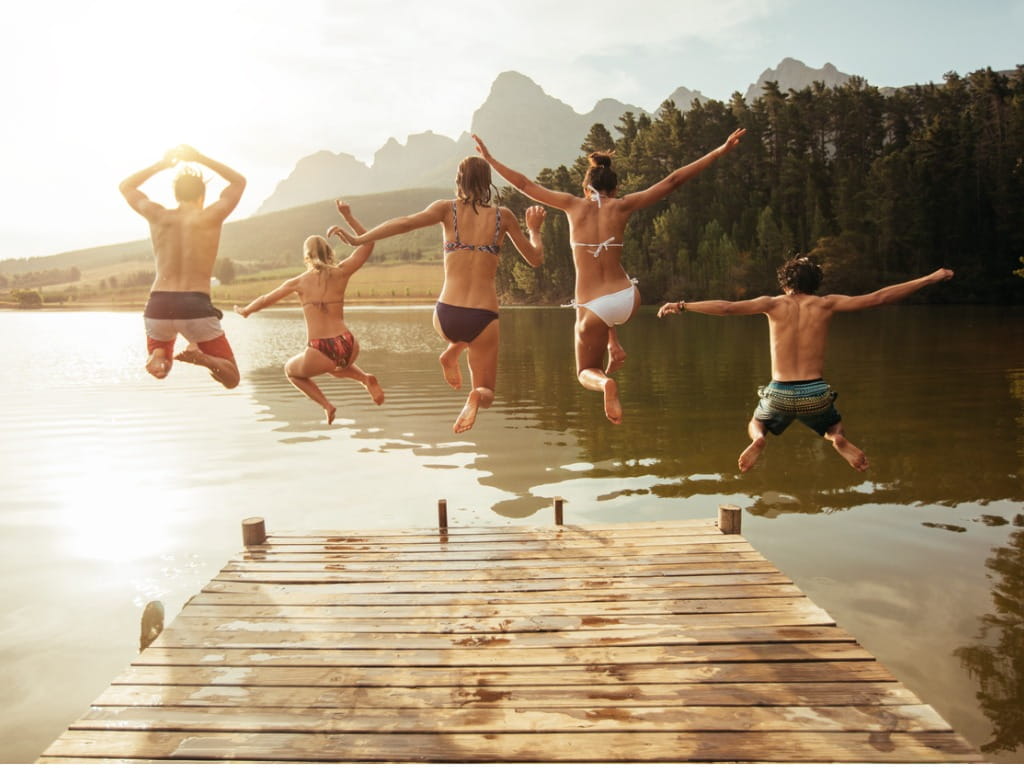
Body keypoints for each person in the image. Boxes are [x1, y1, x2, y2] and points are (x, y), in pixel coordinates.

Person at [474, 129, 745, 424]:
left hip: (595, 307)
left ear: (586, 188)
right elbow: (673, 180)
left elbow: (524, 183)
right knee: (607, 289)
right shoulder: (623, 206)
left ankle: (605, 384)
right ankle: (612, 343)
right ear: (615, 190)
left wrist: (489, 159)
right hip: (629, 298)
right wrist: (720, 150)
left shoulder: (572, 205)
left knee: (584, 372)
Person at [658, 256, 954, 472]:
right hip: (815, 392)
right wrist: (929, 278)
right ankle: (838, 438)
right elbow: (878, 298)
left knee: (757, 421)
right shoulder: (826, 304)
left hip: (780, 392)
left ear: (785, 283)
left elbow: (726, 307)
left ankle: (759, 439)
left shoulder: (771, 304)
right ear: (816, 283)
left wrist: (683, 305)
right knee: (832, 423)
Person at [328, 157, 546, 433]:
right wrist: (535, 230)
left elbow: (405, 223)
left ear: (459, 180)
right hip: (484, 316)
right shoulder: (504, 217)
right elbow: (535, 259)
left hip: (447, 314)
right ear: (487, 182)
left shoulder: (446, 209)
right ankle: (474, 392)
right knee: (486, 390)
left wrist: (359, 239)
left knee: (458, 335)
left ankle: (452, 349)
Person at [235, 202, 385, 424]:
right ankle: (364, 378)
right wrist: (348, 217)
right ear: (330, 253)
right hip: (348, 343)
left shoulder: (298, 282)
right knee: (334, 367)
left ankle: (327, 405)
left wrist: (246, 310)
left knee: (291, 371)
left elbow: (267, 299)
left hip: (320, 348)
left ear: (306, 257)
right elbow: (368, 243)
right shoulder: (341, 272)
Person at [119, 145, 246, 388]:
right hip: (194, 305)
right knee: (231, 378)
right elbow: (238, 182)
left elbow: (126, 186)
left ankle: (158, 357)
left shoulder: (158, 215)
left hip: (158, 305)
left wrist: (162, 165)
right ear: (202, 196)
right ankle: (203, 358)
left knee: (163, 363)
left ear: (176, 195)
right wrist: (200, 158)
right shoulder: (211, 216)